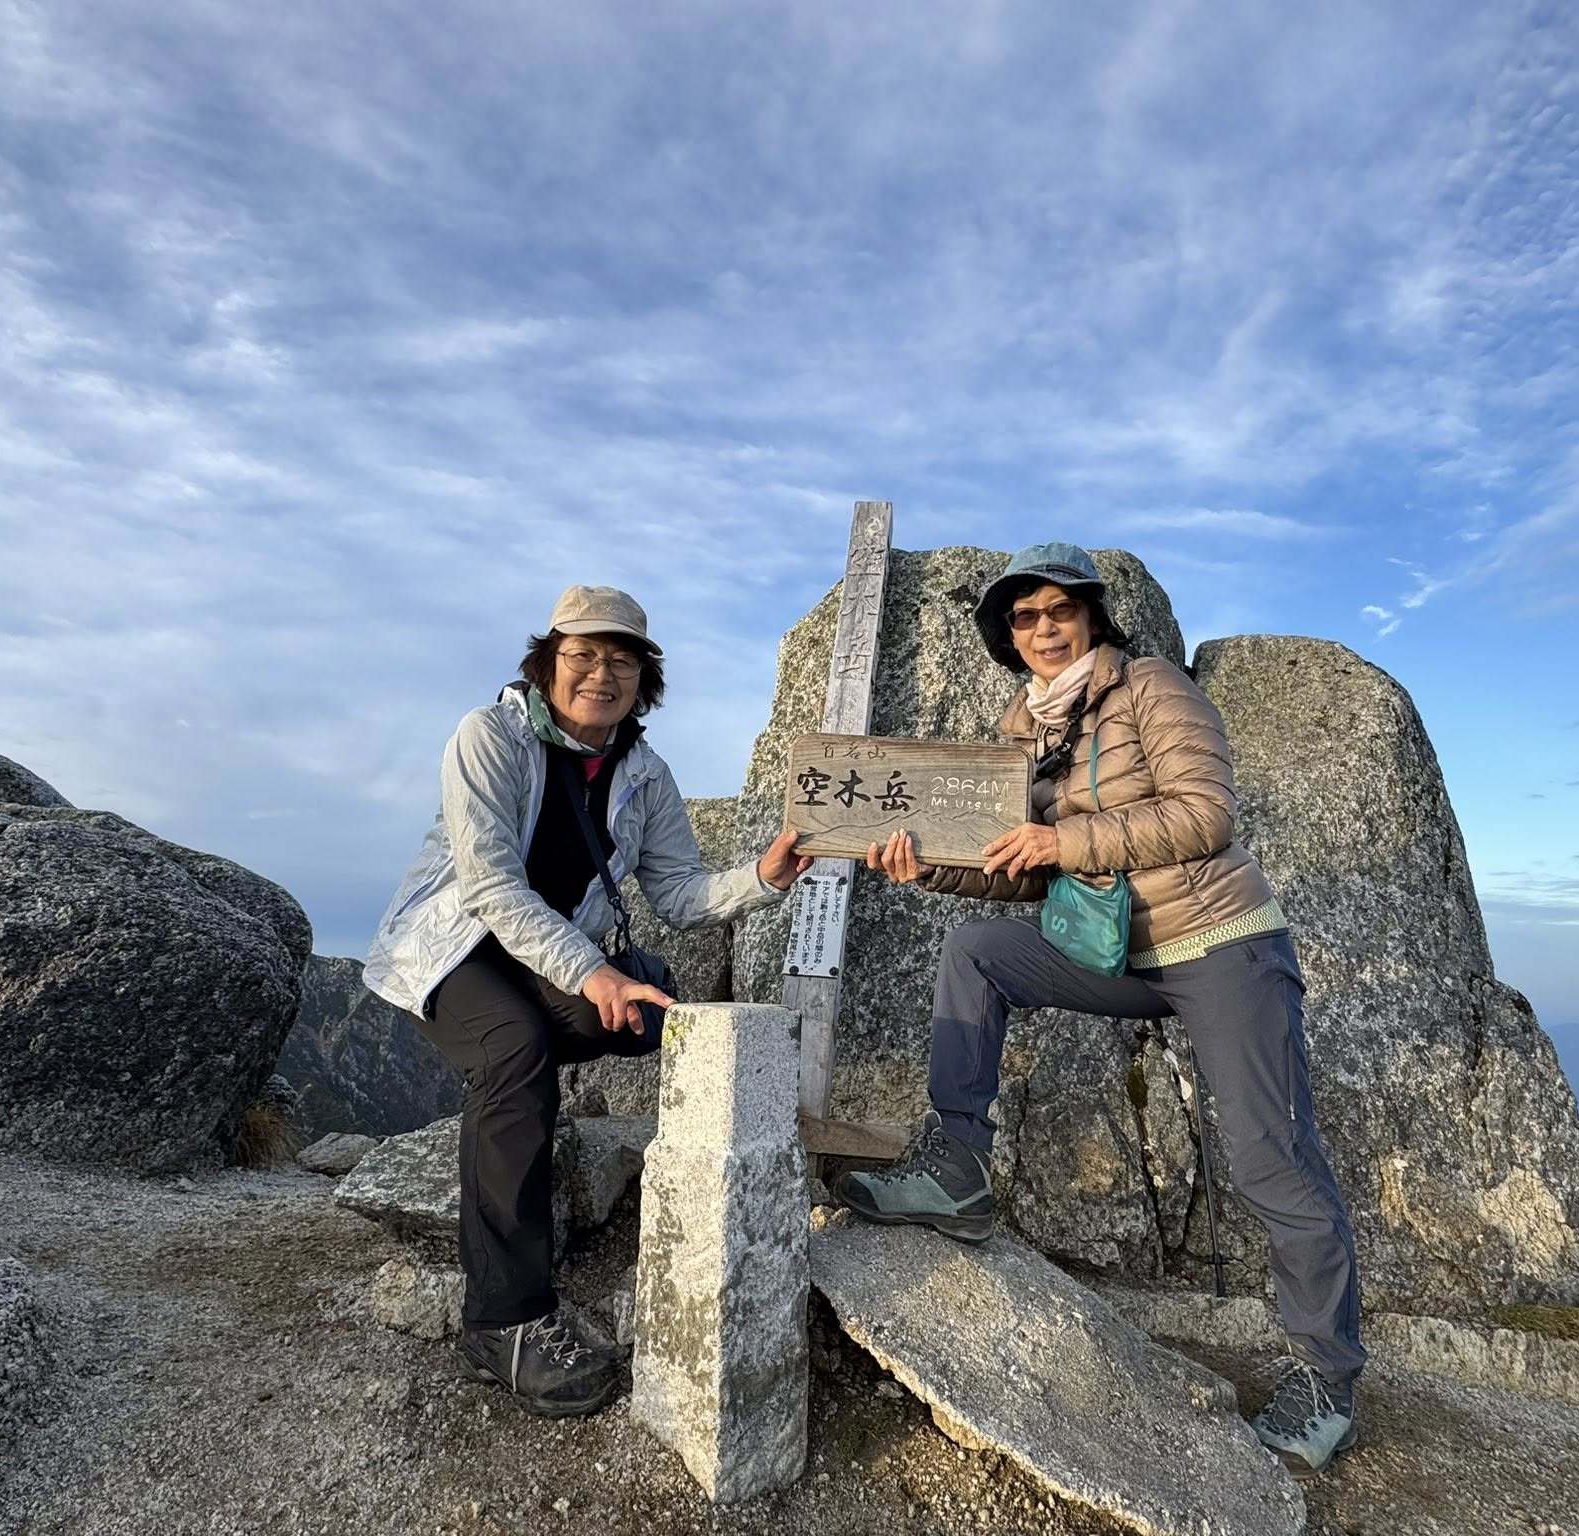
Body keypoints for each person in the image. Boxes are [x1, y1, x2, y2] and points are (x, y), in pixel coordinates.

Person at [836, 542, 1365, 1472]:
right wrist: (929, 871)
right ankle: (956, 1166)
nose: (1043, 629)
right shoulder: (1022, 731)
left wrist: (1064, 841)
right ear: (1007, 636)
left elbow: (1205, 813)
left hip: (1220, 942)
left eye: (1059, 610)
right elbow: (1017, 869)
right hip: (1121, 953)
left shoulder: (1151, 687)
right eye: (1025, 618)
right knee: (976, 948)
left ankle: (1326, 1379)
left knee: (1269, 1156)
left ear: (1090, 615)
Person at [363, 584, 812, 1418]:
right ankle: (503, 1320)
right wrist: (592, 973)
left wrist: (763, 878)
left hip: (545, 958)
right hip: (455, 946)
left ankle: (515, 1109)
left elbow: (678, 894)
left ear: (645, 680)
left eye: (623, 661)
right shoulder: (488, 737)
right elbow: (491, 888)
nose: (602, 675)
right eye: (583, 655)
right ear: (547, 662)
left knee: (646, 1016)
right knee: (514, 1051)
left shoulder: (644, 774)